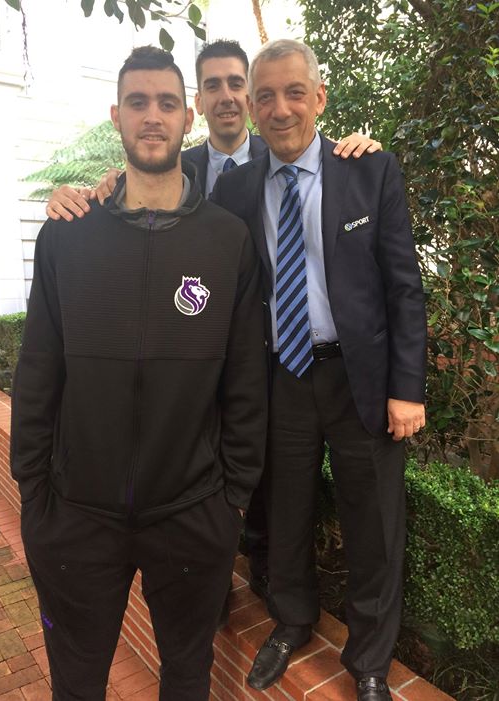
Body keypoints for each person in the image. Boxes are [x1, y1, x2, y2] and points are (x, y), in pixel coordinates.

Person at [44, 39, 383, 602]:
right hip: (214, 369)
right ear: (197, 104)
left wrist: (360, 150)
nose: (227, 96)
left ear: (247, 96)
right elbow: (134, 191)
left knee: (280, 497)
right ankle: (228, 586)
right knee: (258, 497)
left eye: (236, 83)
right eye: (212, 85)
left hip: (286, 364)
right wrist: (85, 192)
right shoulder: (187, 167)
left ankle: (267, 583)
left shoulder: (295, 150)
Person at [10, 45, 268, 701]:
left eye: (166, 103)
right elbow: (38, 371)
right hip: (75, 515)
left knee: (186, 678)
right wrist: (35, 496)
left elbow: (245, 383)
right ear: (116, 116)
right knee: (76, 684)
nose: (152, 116)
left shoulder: (227, 240)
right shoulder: (68, 236)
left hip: (192, 514)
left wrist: (230, 499)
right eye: (138, 102)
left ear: (187, 117)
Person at [210, 39, 427, 701]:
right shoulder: (237, 187)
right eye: (266, 96)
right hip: (283, 376)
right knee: (285, 511)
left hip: (361, 379)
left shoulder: (368, 169)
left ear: (320, 98)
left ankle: (369, 660)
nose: (280, 109)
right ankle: (292, 621)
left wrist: (406, 388)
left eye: (294, 92)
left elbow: (404, 288)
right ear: (253, 107)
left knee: (374, 525)